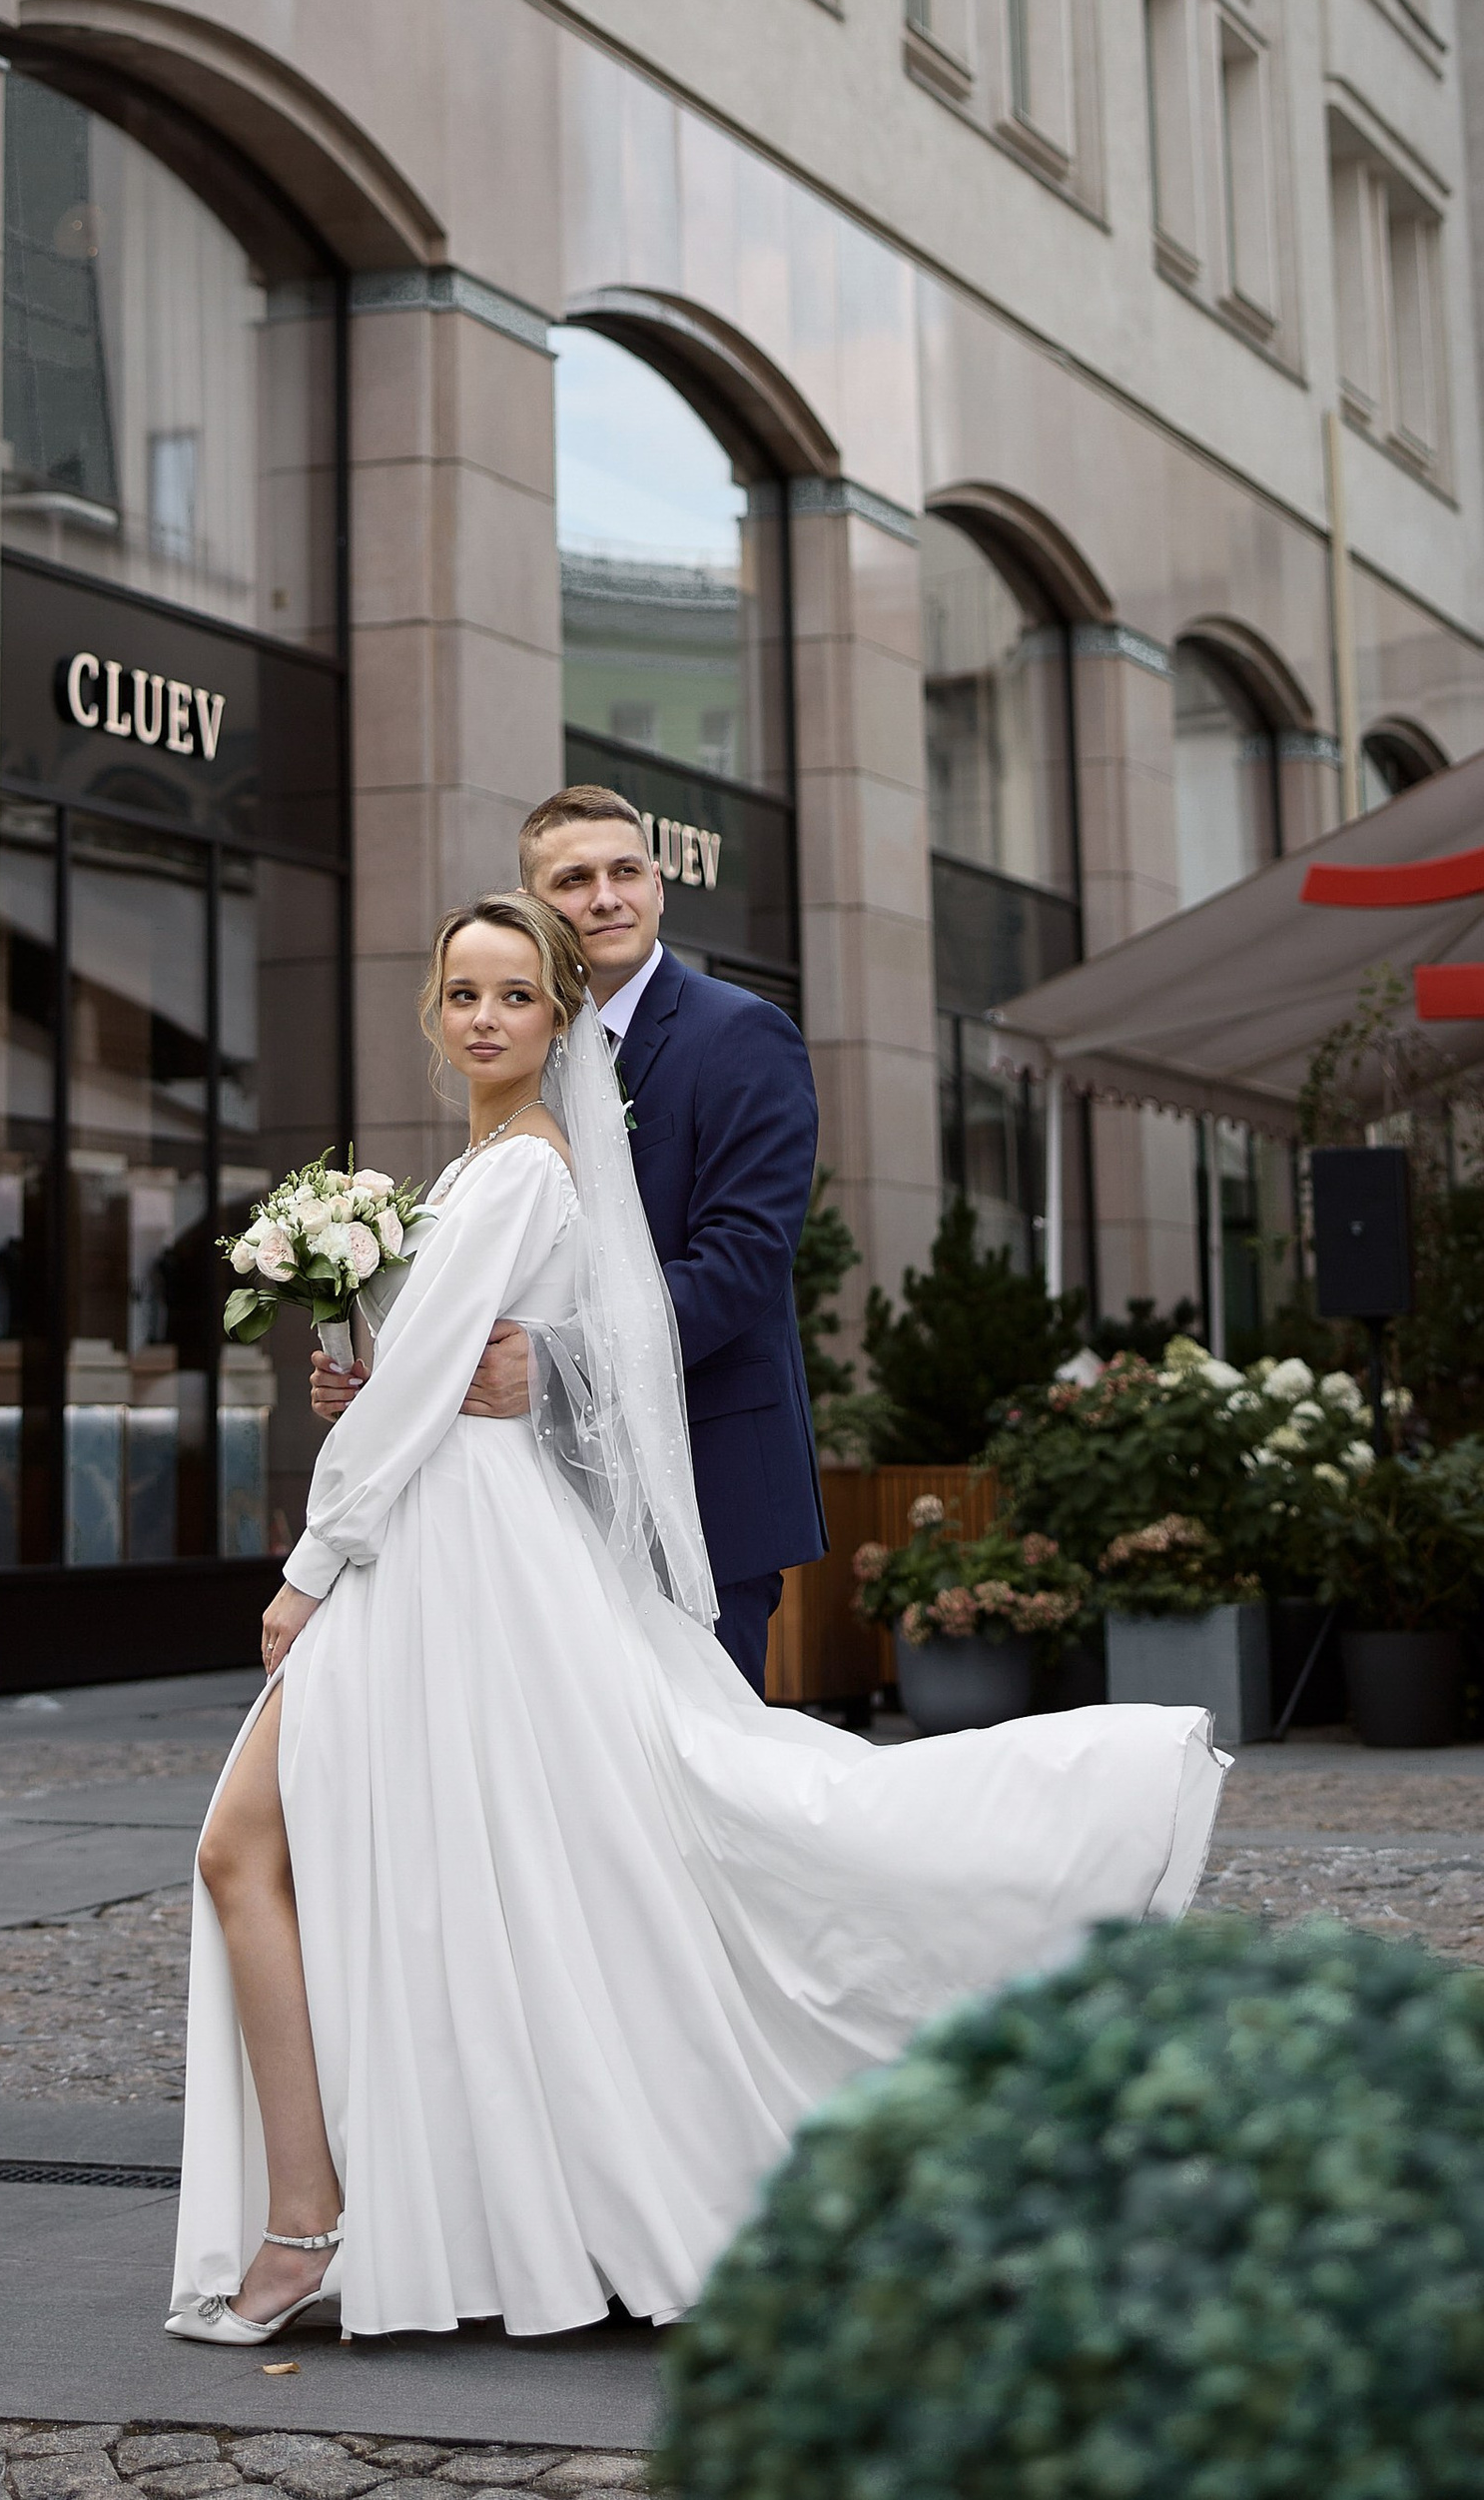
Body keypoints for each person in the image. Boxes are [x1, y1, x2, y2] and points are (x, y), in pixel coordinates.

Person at [168, 891, 1223, 2349]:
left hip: (442, 1551)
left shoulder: (526, 1172)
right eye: (463, 993)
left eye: (515, 997)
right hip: (438, 1542)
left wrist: (311, 1561)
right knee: (378, 1864)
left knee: (278, 1847)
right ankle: (341, 2201)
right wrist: (356, 1361)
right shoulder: (469, 1174)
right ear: (434, 1012)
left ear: (557, 1020)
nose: (485, 1017)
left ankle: (311, 2215)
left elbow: (435, 1393)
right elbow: (418, 1370)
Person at [311, 786, 821, 1692]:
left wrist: (555, 1362)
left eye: (626, 871)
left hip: (705, 1475)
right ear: (536, 905)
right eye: (574, 879)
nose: (606, 897)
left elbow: (742, 1262)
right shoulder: (521, 1050)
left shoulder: (739, 1034)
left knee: (702, 1769)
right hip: (550, 1495)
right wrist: (368, 1362)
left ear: (659, 887)